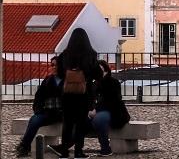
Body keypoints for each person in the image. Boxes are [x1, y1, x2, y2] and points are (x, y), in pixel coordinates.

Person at [48, 28, 102, 159]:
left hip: (68, 94)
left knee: (67, 123)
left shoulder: (65, 55)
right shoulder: (91, 54)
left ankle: (64, 152)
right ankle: (78, 151)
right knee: (80, 123)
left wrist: (70, 76)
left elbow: (60, 74)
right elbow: (98, 74)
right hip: (84, 94)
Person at [15, 57, 62, 157]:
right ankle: (24, 146)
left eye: (56, 65)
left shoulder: (68, 81)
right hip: (48, 112)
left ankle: (64, 149)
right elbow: (39, 97)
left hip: (63, 114)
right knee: (35, 120)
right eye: (52, 65)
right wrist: (38, 110)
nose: (54, 67)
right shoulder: (48, 80)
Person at [89, 60, 130, 157]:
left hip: (114, 112)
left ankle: (105, 149)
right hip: (97, 112)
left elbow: (113, 101)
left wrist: (96, 110)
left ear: (106, 70)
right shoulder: (93, 84)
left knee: (100, 119)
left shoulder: (113, 82)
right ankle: (67, 147)